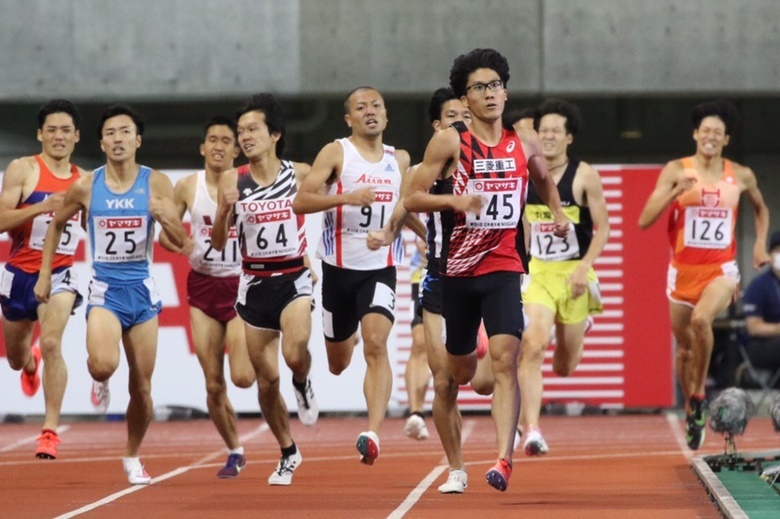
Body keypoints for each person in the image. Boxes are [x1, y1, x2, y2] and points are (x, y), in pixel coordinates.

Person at [405, 49, 568, 492]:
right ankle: (458, 453)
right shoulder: (449, 143)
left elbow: (543, 179)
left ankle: (502, 460)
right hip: (455, 273)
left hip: (502, 266)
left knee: (506, 360)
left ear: (506, 90)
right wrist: (453, 201)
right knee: (457, 376)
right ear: (465, 97)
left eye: (496, 85)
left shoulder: (524, 140)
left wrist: (556, 211)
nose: (490, 93)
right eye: (479, 87)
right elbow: (411, 199)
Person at [34, 104, 188, 484]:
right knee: (103, 364)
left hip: (143, 291)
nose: (118, 139)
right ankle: (99, 380)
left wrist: (167, 219)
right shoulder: (88, 185)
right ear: (101, 142)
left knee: (142, 386)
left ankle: (132, 455)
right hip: (105, 291)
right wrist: (44, 273)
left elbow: (180, 243)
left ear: (137, 141)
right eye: (111, 133)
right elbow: (55, 226)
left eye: (125, 133)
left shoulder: (156, 183)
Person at [293, 86, 417, 466]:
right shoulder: (336, 153)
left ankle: (373, 432)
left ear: (386, 114)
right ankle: (304, 379)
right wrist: (345, 198)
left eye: (376, 105)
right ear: (349, 118)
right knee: (338, 362)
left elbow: (405, 209)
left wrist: (415, 237)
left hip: (380, 270)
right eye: (360, 107)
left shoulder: (400, 160)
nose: (370, 112)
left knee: (376, 343)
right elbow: (301, 200)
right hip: (338, 271)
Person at [638, 100, 769, 450]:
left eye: (718, 132)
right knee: (684, 351)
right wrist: (673, 191)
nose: (711, 136)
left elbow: (761, 208)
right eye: (705, 130)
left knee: (701, 321)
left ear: (726, 140)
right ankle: (693, 409)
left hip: (721, 271)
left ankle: (697, 395)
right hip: (682, 272)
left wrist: (759, 246)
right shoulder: (675, 170)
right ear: (695, 134)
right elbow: (644, 219)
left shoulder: (740, 174)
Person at [211, 93, 319, 486]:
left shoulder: (301, 173)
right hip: (254, 284)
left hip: (293, 278)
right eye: (240, 132)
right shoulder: (231, 179)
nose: (244, 137)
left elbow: (328, 203)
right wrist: (224, 210)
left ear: (275, 134)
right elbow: (220, 242)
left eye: (252, 129)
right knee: (265, 379)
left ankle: (303, 381)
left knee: (294, 353)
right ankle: (288, 451)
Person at [159, 116, 255, 479]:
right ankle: (235, 450)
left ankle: (270, 361)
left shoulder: (248, 183)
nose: (218, 146)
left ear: (236, 149)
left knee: (243, 377)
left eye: (225, 140)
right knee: (213, 383)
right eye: (212, 139)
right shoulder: (187, 186)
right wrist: (181, 245)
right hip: (202, 287)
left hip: (240, 285)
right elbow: (165, 230)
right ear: (203, 147)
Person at [517, 99, 609, 457]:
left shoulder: (584, 175)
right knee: (533, 345)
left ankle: (578, 325)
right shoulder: (524, 174)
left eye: (556, 131)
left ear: (569, 138)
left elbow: (604, 229)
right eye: (543, 131)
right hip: (538, 272)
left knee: (565, 367)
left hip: (573, 272)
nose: (549, 136)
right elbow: (521, 224)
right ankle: (532, 430)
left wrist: (585, 267)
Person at [0, 99, 86, 459]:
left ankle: (49, 431)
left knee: (53, 343)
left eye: (66, 130)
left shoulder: (85, 182)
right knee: (16, 359)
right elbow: (2, 221)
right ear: (40, 134)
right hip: (19, 275)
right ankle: (30, 364)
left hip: (61, 273)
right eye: (51, 129)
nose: (58, 136)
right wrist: (41, 206)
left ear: (77, 136)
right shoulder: (22, 169)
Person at [740, 230, 780, 386]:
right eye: (778, 251)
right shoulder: (759, 285)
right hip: (760, 346)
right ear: (770, 255)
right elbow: (754, 327)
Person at [403, 236, 431, 441]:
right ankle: (416, 413)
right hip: (423, 274)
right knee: (420, 340)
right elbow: (423, 246)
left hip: (461, 271)